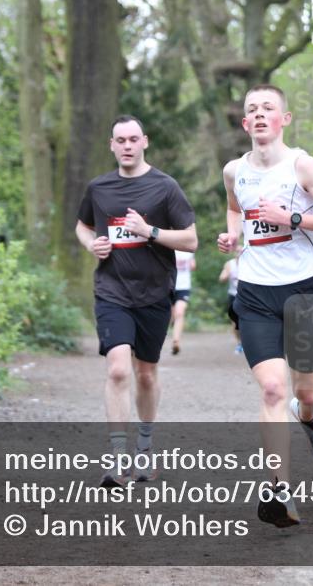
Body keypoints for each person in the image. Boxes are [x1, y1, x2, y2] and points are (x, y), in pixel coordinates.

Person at [217, 84, 313, 527]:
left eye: (267, 109)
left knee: (305, 392)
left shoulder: (302, 166)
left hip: (306, 289)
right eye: (251, 110)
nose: (259, 115)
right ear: (244, 123)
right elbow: (235, 208)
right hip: (255, 291)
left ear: (284, 119)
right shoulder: (234, 170)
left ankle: (309, 418)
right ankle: (280, 491)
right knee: (273, 388)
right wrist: (233, 234)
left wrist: (292, 218)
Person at [76, 114, 197, 487]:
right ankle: (117, 459)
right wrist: (91, 244)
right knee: (117, 369)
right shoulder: (99, 189)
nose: (127, 146)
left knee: (146, 373)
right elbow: (82, 226)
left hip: (154, 293)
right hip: (112, 291)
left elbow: (191, 239)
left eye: (133, 139)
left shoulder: (165, 187)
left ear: (144, 142)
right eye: (120, 140)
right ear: (112, 145)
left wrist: (151, 231)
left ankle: (144, 449)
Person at [218, 245, 243, 354]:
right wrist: (226, 275)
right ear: (234, 253)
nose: (239, 253)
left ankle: (248, 343)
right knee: (235, 322)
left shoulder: (250, 264)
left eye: (241, 251)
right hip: (233, 295)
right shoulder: (229, 264)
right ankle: (239, 343)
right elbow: (221, 278)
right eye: (237, 251)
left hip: (247, 296)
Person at [170, 250, 196, 355]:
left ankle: (176, 342)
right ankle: (173, 327)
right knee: (171, 316)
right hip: (169, 286)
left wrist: (191, 264)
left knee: (179, 312)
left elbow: (193, 265)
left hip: (183, 286)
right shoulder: (169, 247)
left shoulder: (188, 249)